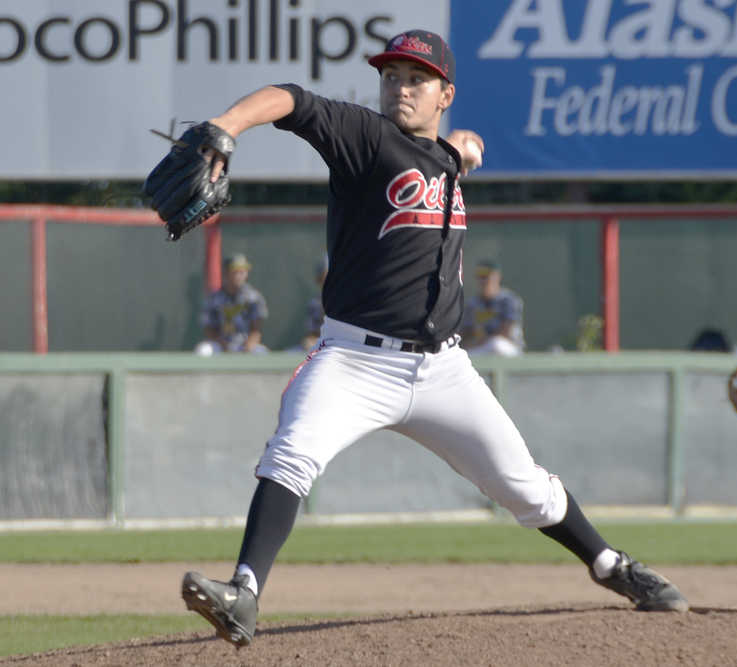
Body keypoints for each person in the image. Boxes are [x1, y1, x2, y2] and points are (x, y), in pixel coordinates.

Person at [177, 29, 688, 648]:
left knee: (524, 487)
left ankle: (611, 566)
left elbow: (453, 152)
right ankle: (244, 595)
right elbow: (292, 99)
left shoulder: (443, 153)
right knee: (292, 452)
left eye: (415, 78)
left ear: (445, 92)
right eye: (391, 76)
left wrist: (462, 146)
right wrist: (227, 125)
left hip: (444, 372)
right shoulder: (364, 138)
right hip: (353, 362)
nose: (400, 87)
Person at [194, 253, 269, 356]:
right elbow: (209, 329)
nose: (239, 275)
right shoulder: (214, 298)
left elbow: (256, 329)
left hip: (245, 345)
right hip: (220, 345)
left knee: (262, 353)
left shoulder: (253, 297)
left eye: (242, 271)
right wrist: (222, 344)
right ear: (225, 273)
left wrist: (249, 345)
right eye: (235, 271)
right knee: (203, 350)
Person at [460, 259, 525, 357]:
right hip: (480, 348)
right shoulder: (472, 304)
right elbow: (465, 333)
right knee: (461, 356)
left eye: (486, 276)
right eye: (480, 277)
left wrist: (482, 341)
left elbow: (505, 332)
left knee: (496, 344)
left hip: (509, 348)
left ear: (497, 277)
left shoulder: (508, 300)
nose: (483, 280)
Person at [299, 255, 328, 351]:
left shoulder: (351, 302)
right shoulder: (315, 304)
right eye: (325, 276)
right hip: (325, 348)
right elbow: (311, 336)